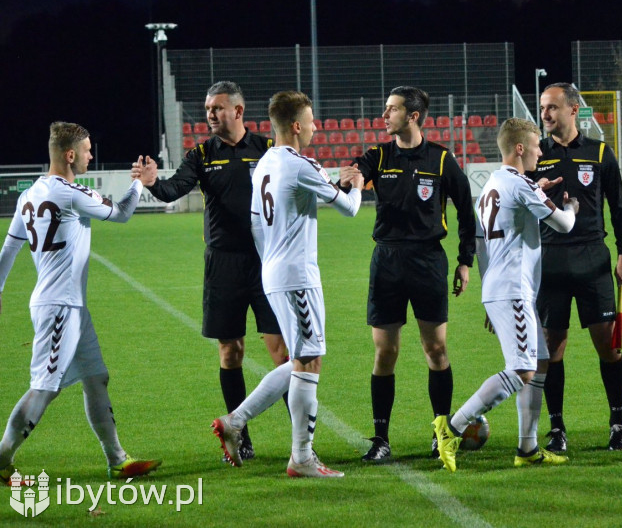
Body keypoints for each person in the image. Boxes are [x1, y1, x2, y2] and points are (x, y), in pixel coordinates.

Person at [132, 81, 287, 462]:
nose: (210, 115)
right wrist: (153, 183)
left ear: (238, 110)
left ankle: (302, 440)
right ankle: (240, 436)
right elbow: (173, 190)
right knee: (230, 351)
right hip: (223, 265)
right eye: (207, 109)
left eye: (217, 108)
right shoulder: (201, 154)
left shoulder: (269, 149)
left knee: (282, 353)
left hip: (267, 261)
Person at [212, 91, 362, 478]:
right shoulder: (301, 164)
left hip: (274, 270)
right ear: (296, 125)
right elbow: (349, 208)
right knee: (309, 361)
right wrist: (356, 183)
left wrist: (273, 263)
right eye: (311, 121)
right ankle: (302, 457)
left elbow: (257, 226)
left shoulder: (262, 164)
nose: (315, 127)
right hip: (296, 275)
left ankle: (236, 421)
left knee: (301, 357)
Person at [0, 122, 161, 482]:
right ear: (70, 155)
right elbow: (121, 213)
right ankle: (1, 458)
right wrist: (140, 182)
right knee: (44, 387)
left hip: (68, 306)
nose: (91, 155)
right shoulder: (70, 192)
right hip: (59, 307)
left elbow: (8, 249)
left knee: (95, 377)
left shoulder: (30, 194)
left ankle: (117, 458)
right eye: (87, 150)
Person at [433, 118, 579, 472]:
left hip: (504, 287)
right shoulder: (518, 184)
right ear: (519, 148)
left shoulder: (493, 185)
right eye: (535, 145)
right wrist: (571, 205)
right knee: (523, 368)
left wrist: (488, 292)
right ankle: (451, 428)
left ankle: (527, 448)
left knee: (539, 361)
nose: (541, 151)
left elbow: (484, 243)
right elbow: (564, 224)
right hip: (512, 289)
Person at [339, 86, 475, 462]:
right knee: (386, 352)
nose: (384, 116)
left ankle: (441, 432)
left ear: (413, 116)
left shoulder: (442, 159)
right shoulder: (379, 156)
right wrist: (351, 175)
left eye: (392, 110)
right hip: (386, 262)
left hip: (428, 261)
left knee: (436, 349)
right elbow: (360, 168)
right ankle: (381, 439)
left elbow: (467, 211)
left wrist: (465, 260)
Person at [530, 82, 622, 453]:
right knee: (551, 349)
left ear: (574, 110)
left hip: (593, 260)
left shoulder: (600, 152)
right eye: (542, 107)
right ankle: (557, 429)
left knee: (609, 347)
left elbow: (618, 208)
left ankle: (617, 423)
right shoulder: (536, 155)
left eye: (552, 107)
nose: (545, 114)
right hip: (551, 262)